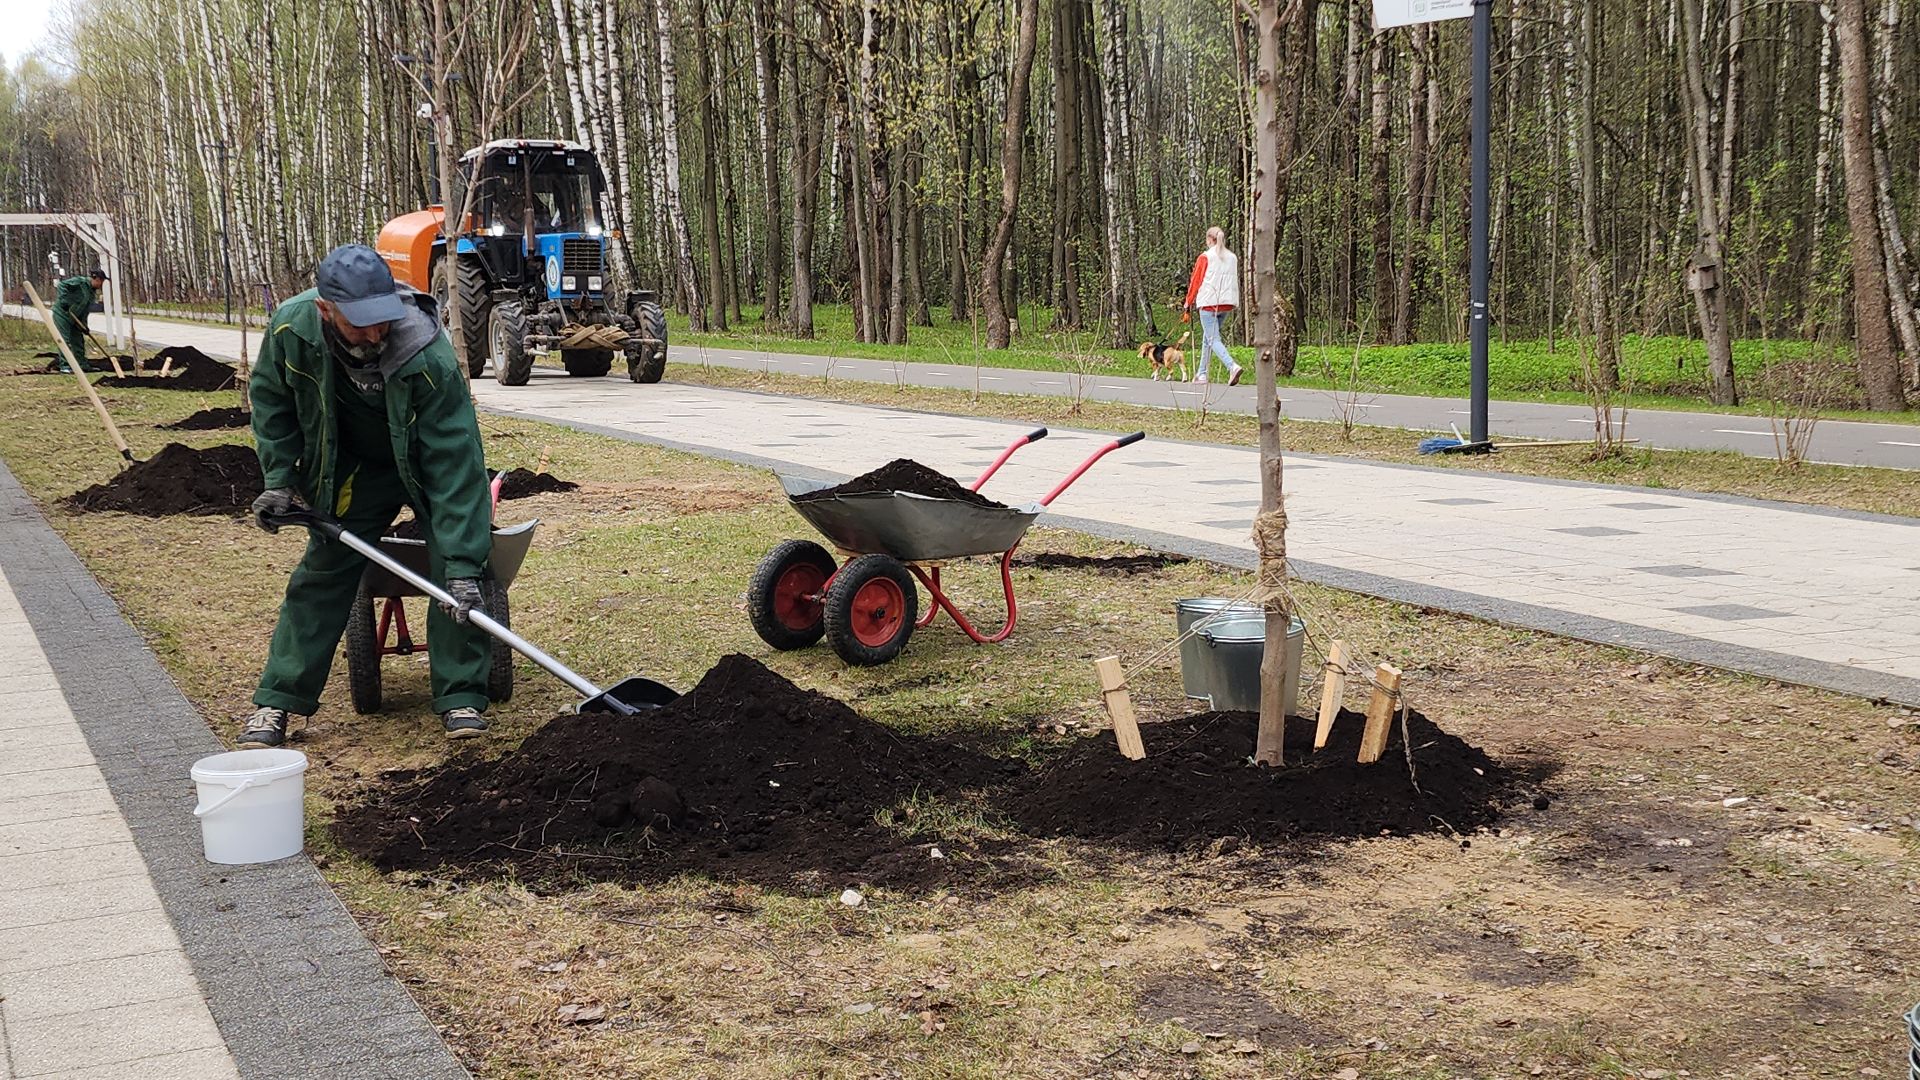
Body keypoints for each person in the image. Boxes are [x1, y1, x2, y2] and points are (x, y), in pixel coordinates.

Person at [239, 243, 495, 748]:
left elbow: (456, 460)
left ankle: (461, 694)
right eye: (360, 324)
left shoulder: (426, 355)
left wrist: (464, 564)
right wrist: (279, 479)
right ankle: (278, 700)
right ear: (325, 310)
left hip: (426, 464)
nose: (376, 334)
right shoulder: (293, 329)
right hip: (355, 468)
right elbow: (272, 402)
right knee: (323, 571)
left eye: (382, 320)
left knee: (457, 575)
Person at [1182, 227, 1243, 386]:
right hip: (1227, 303)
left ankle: (1232, 366)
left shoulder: (1205, 257)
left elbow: (1196, 281)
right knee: (1208, 338)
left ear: (1210, 239)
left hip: (1209, 303)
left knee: (1213, 338)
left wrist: (1188, 302)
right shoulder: (1232, 257)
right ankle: (1201, 373)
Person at [50, 268, 107, 373]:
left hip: (75, 318)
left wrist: (83, 326)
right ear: (97, 279)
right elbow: (62, 285)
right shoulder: (80, 282)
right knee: (65, 340)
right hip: (63, 314)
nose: (101, 285)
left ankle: (82, 364)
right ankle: (65, 366)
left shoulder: (91, 293)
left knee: (78, 340)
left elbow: (85, 311)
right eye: (101, 281)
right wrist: (63, 301)